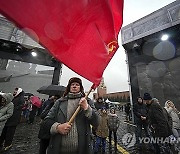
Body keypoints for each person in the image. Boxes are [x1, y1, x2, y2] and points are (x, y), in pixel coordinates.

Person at [43, 77, 100, 154]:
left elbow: (96, 122)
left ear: (81, 88)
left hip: (82, 150)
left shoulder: (88, 101)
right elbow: (46, 121)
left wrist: (87, 108)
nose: (74, 86)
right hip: (59, 150)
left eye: (77, 84)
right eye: (72, 84)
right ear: (69, 87)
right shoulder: (59, 102)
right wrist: (58, 127)